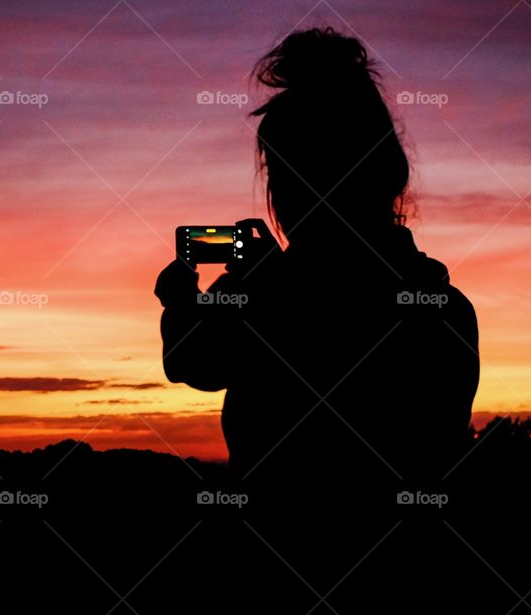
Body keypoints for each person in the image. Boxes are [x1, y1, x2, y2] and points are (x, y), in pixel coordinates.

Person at [155, 27, 479, 494]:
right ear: (390, 174)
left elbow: (192, 362)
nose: (282, 193)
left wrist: (183, 298)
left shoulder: (265, 296)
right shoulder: (445, 309)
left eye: (282, 173)